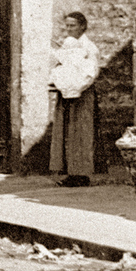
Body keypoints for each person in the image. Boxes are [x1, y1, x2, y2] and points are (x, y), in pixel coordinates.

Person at [50, 11, 98, 187]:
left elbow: (90, 74)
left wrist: (74, 88)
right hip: (67, 93)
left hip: (81, 95)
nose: (68, 29)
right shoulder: (68, 46)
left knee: (80, 133)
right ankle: (70, 171)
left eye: (73, 26)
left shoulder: (89, 48)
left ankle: (81, 174)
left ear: (82, 27)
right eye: (67, 26)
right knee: (67, 132)